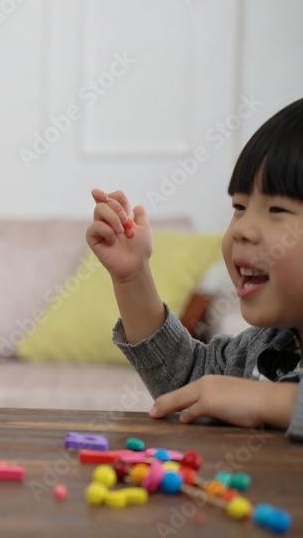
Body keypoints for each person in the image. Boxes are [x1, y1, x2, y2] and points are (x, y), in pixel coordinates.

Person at [86, 97, 303, 440]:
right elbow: (189, 384)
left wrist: (269, 401)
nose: (242, 229)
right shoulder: (264, 346)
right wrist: (133, 277)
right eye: (240, 206)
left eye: (277, 209)